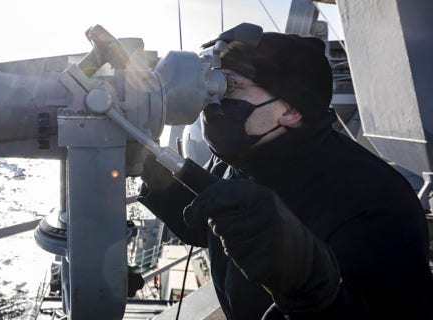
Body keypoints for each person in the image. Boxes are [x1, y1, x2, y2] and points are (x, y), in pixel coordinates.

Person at [138, 27, 433, 319]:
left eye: (229, 86)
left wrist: (312, 289)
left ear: (291, 111)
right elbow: (208, 226)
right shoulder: (240, 159)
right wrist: (154, 175)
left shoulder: (374, 202)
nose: (209, 100)